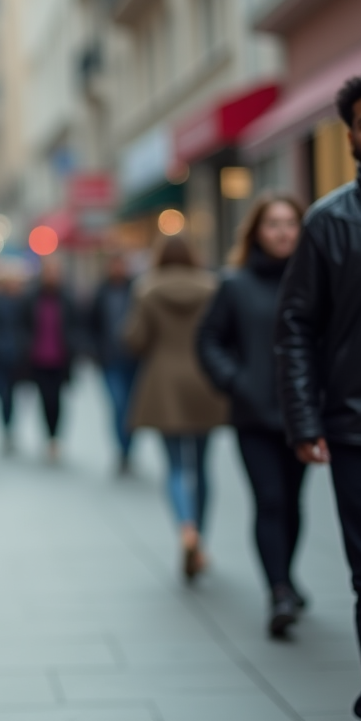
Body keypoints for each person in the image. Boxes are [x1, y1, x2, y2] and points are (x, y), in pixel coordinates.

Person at [276, 71, 361, 721]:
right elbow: (295, 329)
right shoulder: (329, 222)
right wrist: (304, 419)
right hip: (359, 430)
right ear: (351, 138)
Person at [197, 193, 307, 637]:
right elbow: (209, 340)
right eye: (273, 224)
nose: (282, 232)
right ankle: (278, 591)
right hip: (254, 415)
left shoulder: (314, 281)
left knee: (294, 502)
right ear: (257, 232)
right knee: (271, 499)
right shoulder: (235, 284)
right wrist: (235, 380)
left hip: (303, 414)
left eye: (290, 223)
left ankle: (287, 577)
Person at [124, 236, 226, 582]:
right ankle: (201, 539)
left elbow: (136, 339)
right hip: (205, 382)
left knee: (176, 466)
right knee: (202, 466)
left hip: (164, 383)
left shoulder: (147, 289)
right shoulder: (212, 286)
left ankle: (186, 529)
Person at [20, 258, 80, 462]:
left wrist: (74, 345)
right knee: (45, 398)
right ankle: (49, 436)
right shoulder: (32, 298)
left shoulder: (67, 299)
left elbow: (76, 325)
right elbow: (24, 325)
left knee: (58, 399)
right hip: (39, 358)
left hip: (60, 358)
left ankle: (55, 437)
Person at [89, 253, 139, 475]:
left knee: (131, 407)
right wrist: (94, 352)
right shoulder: (101, 293)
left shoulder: (136, 290)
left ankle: (129, 448)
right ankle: (121, 449)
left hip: (132, 359)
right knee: (118, 405)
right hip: (110, 360)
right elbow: (91, 324)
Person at [0, 270, 24, 454]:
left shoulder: (22, 303)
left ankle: (10, 430)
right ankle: (6, 430)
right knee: (3, 396)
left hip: (16, 356)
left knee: (13, 396)